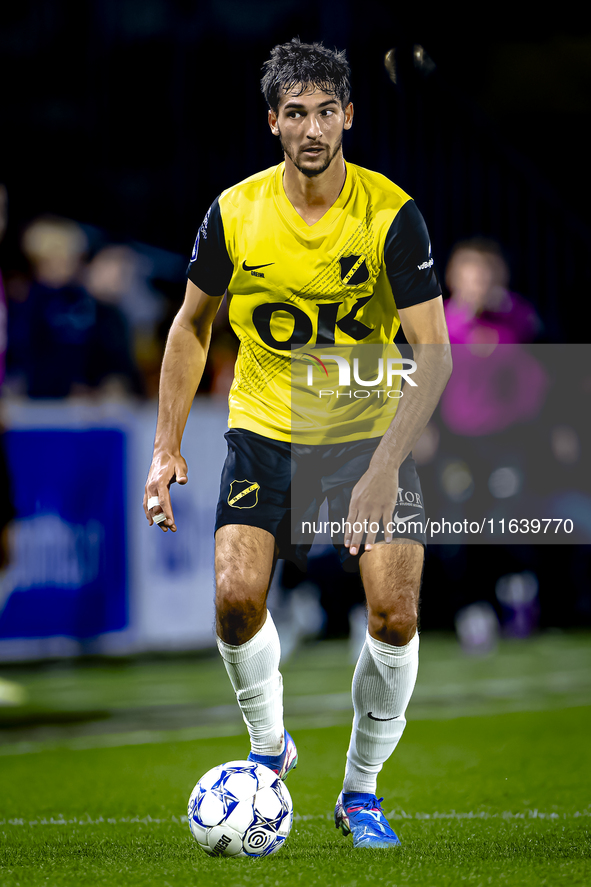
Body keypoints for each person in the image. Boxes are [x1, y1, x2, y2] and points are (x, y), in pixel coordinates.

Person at [144, 38, 451, 849]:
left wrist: (384, 466)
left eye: (325, 111)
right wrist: (165, 445)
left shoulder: (390, 213)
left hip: (364, 429)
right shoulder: (235, 212)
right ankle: (267, 748)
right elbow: (189, 325)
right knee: (236, 600)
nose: (311, 127)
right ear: (272, 122)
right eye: (294, 112)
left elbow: (435, 349)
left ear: (348, 116)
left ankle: (359, 792)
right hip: (265, 429)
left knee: (392, 615)